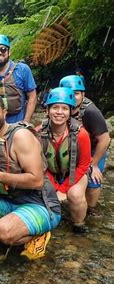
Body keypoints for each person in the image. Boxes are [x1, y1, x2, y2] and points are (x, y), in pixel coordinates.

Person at [0, 91, 61, 260]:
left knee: (4, 232)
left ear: (4, 112)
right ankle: (8, 228)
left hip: (40, 205)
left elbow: (37, 181)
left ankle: (38, 235)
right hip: (8, 199)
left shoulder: (20, 137)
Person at [38, 87, 91, 233]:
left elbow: (84, 165)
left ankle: (79, 225)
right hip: (49, 173)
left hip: (75, 172)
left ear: (70, 112)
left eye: (64, 108)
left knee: (74, 194)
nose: (60, 112)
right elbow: (39, 165)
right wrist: (54, 186)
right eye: (55, 107)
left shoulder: (81, 134)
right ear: (47, 110)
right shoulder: (38, 133)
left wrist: (63, 189)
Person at [59, 75, 110, 217]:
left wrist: (93, 164)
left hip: (95, 148)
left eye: (76, 93)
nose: (72, 97)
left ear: (83, 94)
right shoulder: (60, 108)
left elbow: (105, 139)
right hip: (73, 147)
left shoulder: (90, 112)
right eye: (69, 93)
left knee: (93, 179)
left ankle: (91, 209)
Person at [0, 35, 37, 124]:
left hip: (18, 124)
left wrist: (26, 122)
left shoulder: (22, 69)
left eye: (3, 49)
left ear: (9, 52)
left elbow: (32, 96)